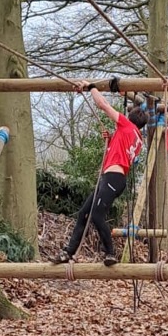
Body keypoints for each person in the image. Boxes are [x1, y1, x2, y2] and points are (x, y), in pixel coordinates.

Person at [57, 89, 149, 265]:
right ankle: (69, 252)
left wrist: (91, 87)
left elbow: (103, 104)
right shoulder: (137, 137)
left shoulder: (126, 126)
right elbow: (118, 151)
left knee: (97, 215)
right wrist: (111, 139)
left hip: (113, 177)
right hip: (112, 178)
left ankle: (110, 253)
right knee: (84, 213)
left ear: (129, 118)